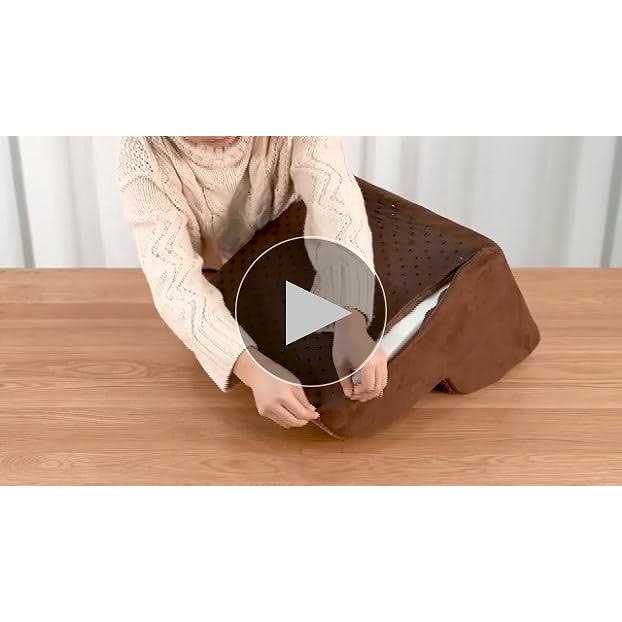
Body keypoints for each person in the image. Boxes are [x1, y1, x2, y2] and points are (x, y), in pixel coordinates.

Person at [118, 136, 388, 429]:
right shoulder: (142, 153)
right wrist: (251, 367)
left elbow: (337, 209)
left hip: (302, 257)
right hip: (227, 288)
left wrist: (351, 317)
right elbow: (175, 282)